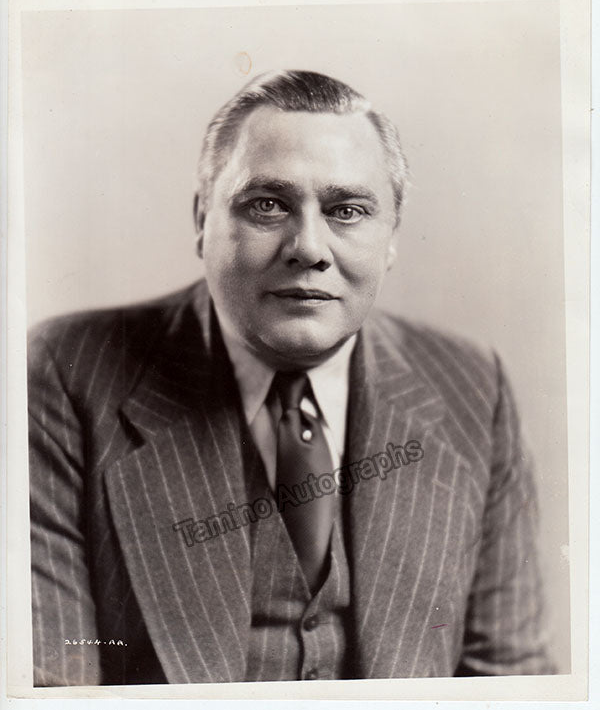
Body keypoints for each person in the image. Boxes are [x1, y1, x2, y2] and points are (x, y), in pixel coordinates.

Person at [28, 70, 554, 686]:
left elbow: (511, 681)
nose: (309, 247)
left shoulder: (473, 387)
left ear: (391, 237)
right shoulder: (66, 372)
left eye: (347, 211)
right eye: (268, 205)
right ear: (201, 220)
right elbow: (55, 681)